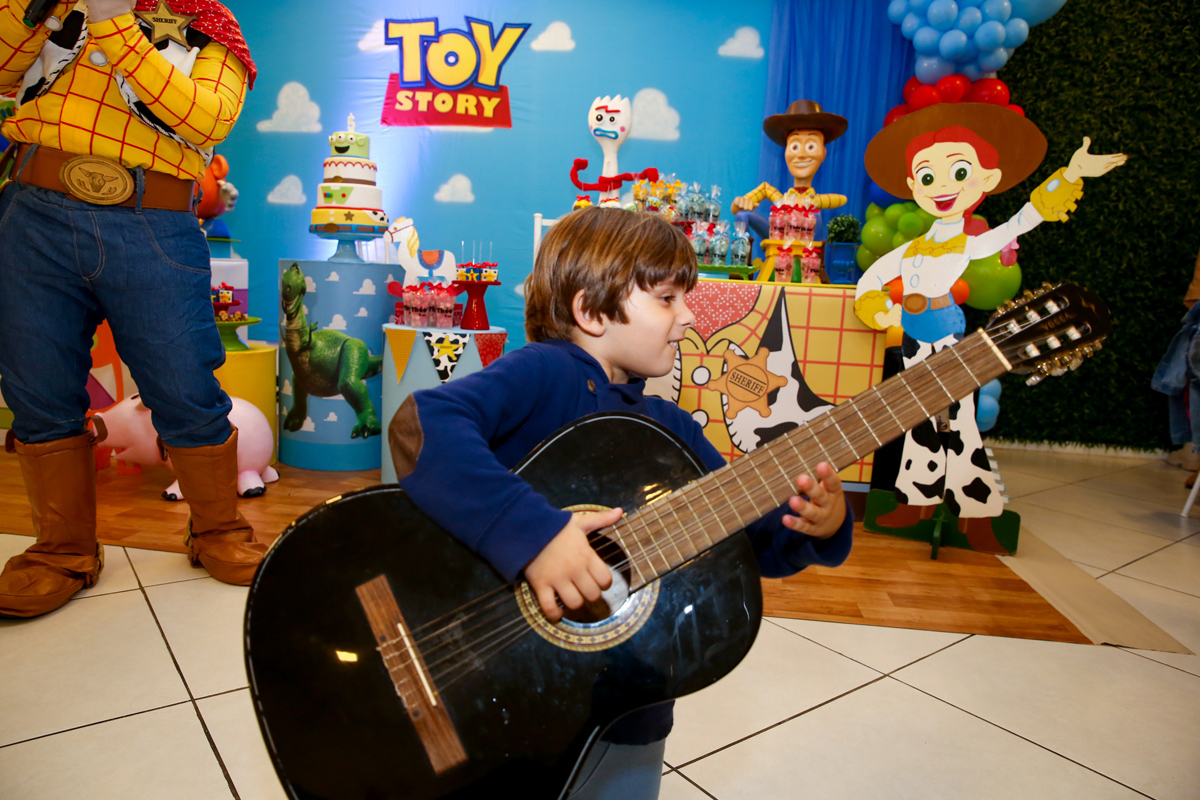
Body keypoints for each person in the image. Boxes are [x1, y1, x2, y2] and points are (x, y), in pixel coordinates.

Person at [388, 207, 854, 799]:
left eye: (686, 299)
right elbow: (423, 424)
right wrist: (534, 535)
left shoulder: (671, 427)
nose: (689, 316)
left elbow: (746, 542)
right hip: (500, 681)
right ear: (590, 311)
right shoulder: (544, 372)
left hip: (631, 707)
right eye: (667, 299)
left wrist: (815, 524)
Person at [0, 0, 263, 618]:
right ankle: (62, 549)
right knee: (36, 381)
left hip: (155, 219)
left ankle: (218, 529)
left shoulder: (210, 22)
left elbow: (206, 121)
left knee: (183, 379)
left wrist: (115, 19)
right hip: (34, 208)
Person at [853, 102, 1126, 552]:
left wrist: (1071, 175)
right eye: (927, 177)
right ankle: (915, 502)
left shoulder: (970, 242)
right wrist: (882, 310)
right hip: (914, 344)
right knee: (915, 424)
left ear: (988, 179)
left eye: (959, 173)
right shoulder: (911, 249)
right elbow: (870, 281)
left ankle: (975, 512)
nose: (942, 186)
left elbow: (1023, 219)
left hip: (948, 338)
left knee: (959, 425)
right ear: (913, 185)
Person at [730, 99, 850, 243]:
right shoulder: (781, 199)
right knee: (743, 215)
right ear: (786, 152)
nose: (801, 155)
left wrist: (813, 201)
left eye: (811, 147)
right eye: (795, 147)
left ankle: (813, 256)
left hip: (806, 242)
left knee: (815, 215)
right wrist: (740, 203)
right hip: (779, 237)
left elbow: (842, 199)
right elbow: (737, 210)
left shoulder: (815, 201)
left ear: (823, 153)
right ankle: (742, 252)